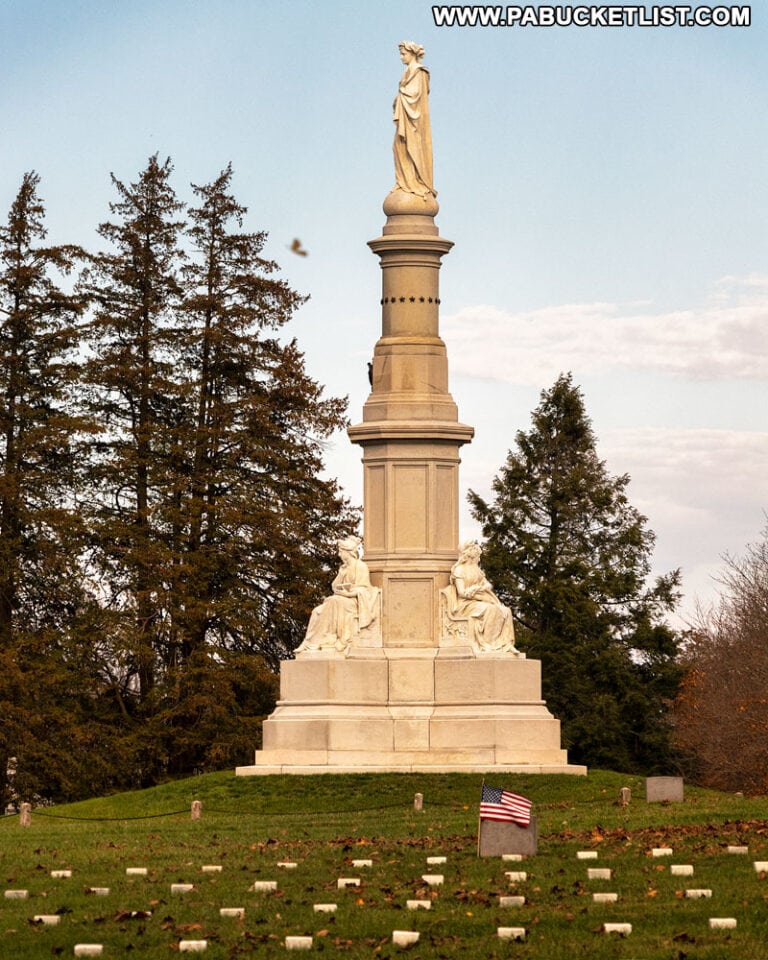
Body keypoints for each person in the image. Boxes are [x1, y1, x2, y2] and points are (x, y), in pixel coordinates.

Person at [296, 536, 381, 655]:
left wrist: (349, 593)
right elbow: (334, 586)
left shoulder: (360, 566)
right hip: (342, 600)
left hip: (354, 602)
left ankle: (319, 641)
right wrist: (341, 575)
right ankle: (310, 642)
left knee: (333, 600)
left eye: (341, 551)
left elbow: (363, 589)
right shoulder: (343, 568)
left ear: (348, 552)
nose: (339, 554)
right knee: (317, 611)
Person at [441, 541, 522, 655]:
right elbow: (462, 593)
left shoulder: (477, 570)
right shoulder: (459, 570)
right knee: (491, 610)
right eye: (478, 556)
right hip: (465, 604)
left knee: (505, 610)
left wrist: (477, 589)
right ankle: (489, 645)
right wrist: (479, 592)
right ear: (472, 556)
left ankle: (505, 644)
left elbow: (488, 585)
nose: (479, 559)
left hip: (479, 600)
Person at [392, 41, 436, 200]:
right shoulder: (407, 72)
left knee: (413, 148)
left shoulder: (420, 72)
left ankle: (416, 181)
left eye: (404, 54)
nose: (401, 57)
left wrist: (401, 95)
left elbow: (416, 95)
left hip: (414, 121)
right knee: (398, 147)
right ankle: (404, 181)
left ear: (412, 54)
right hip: (405, 117)